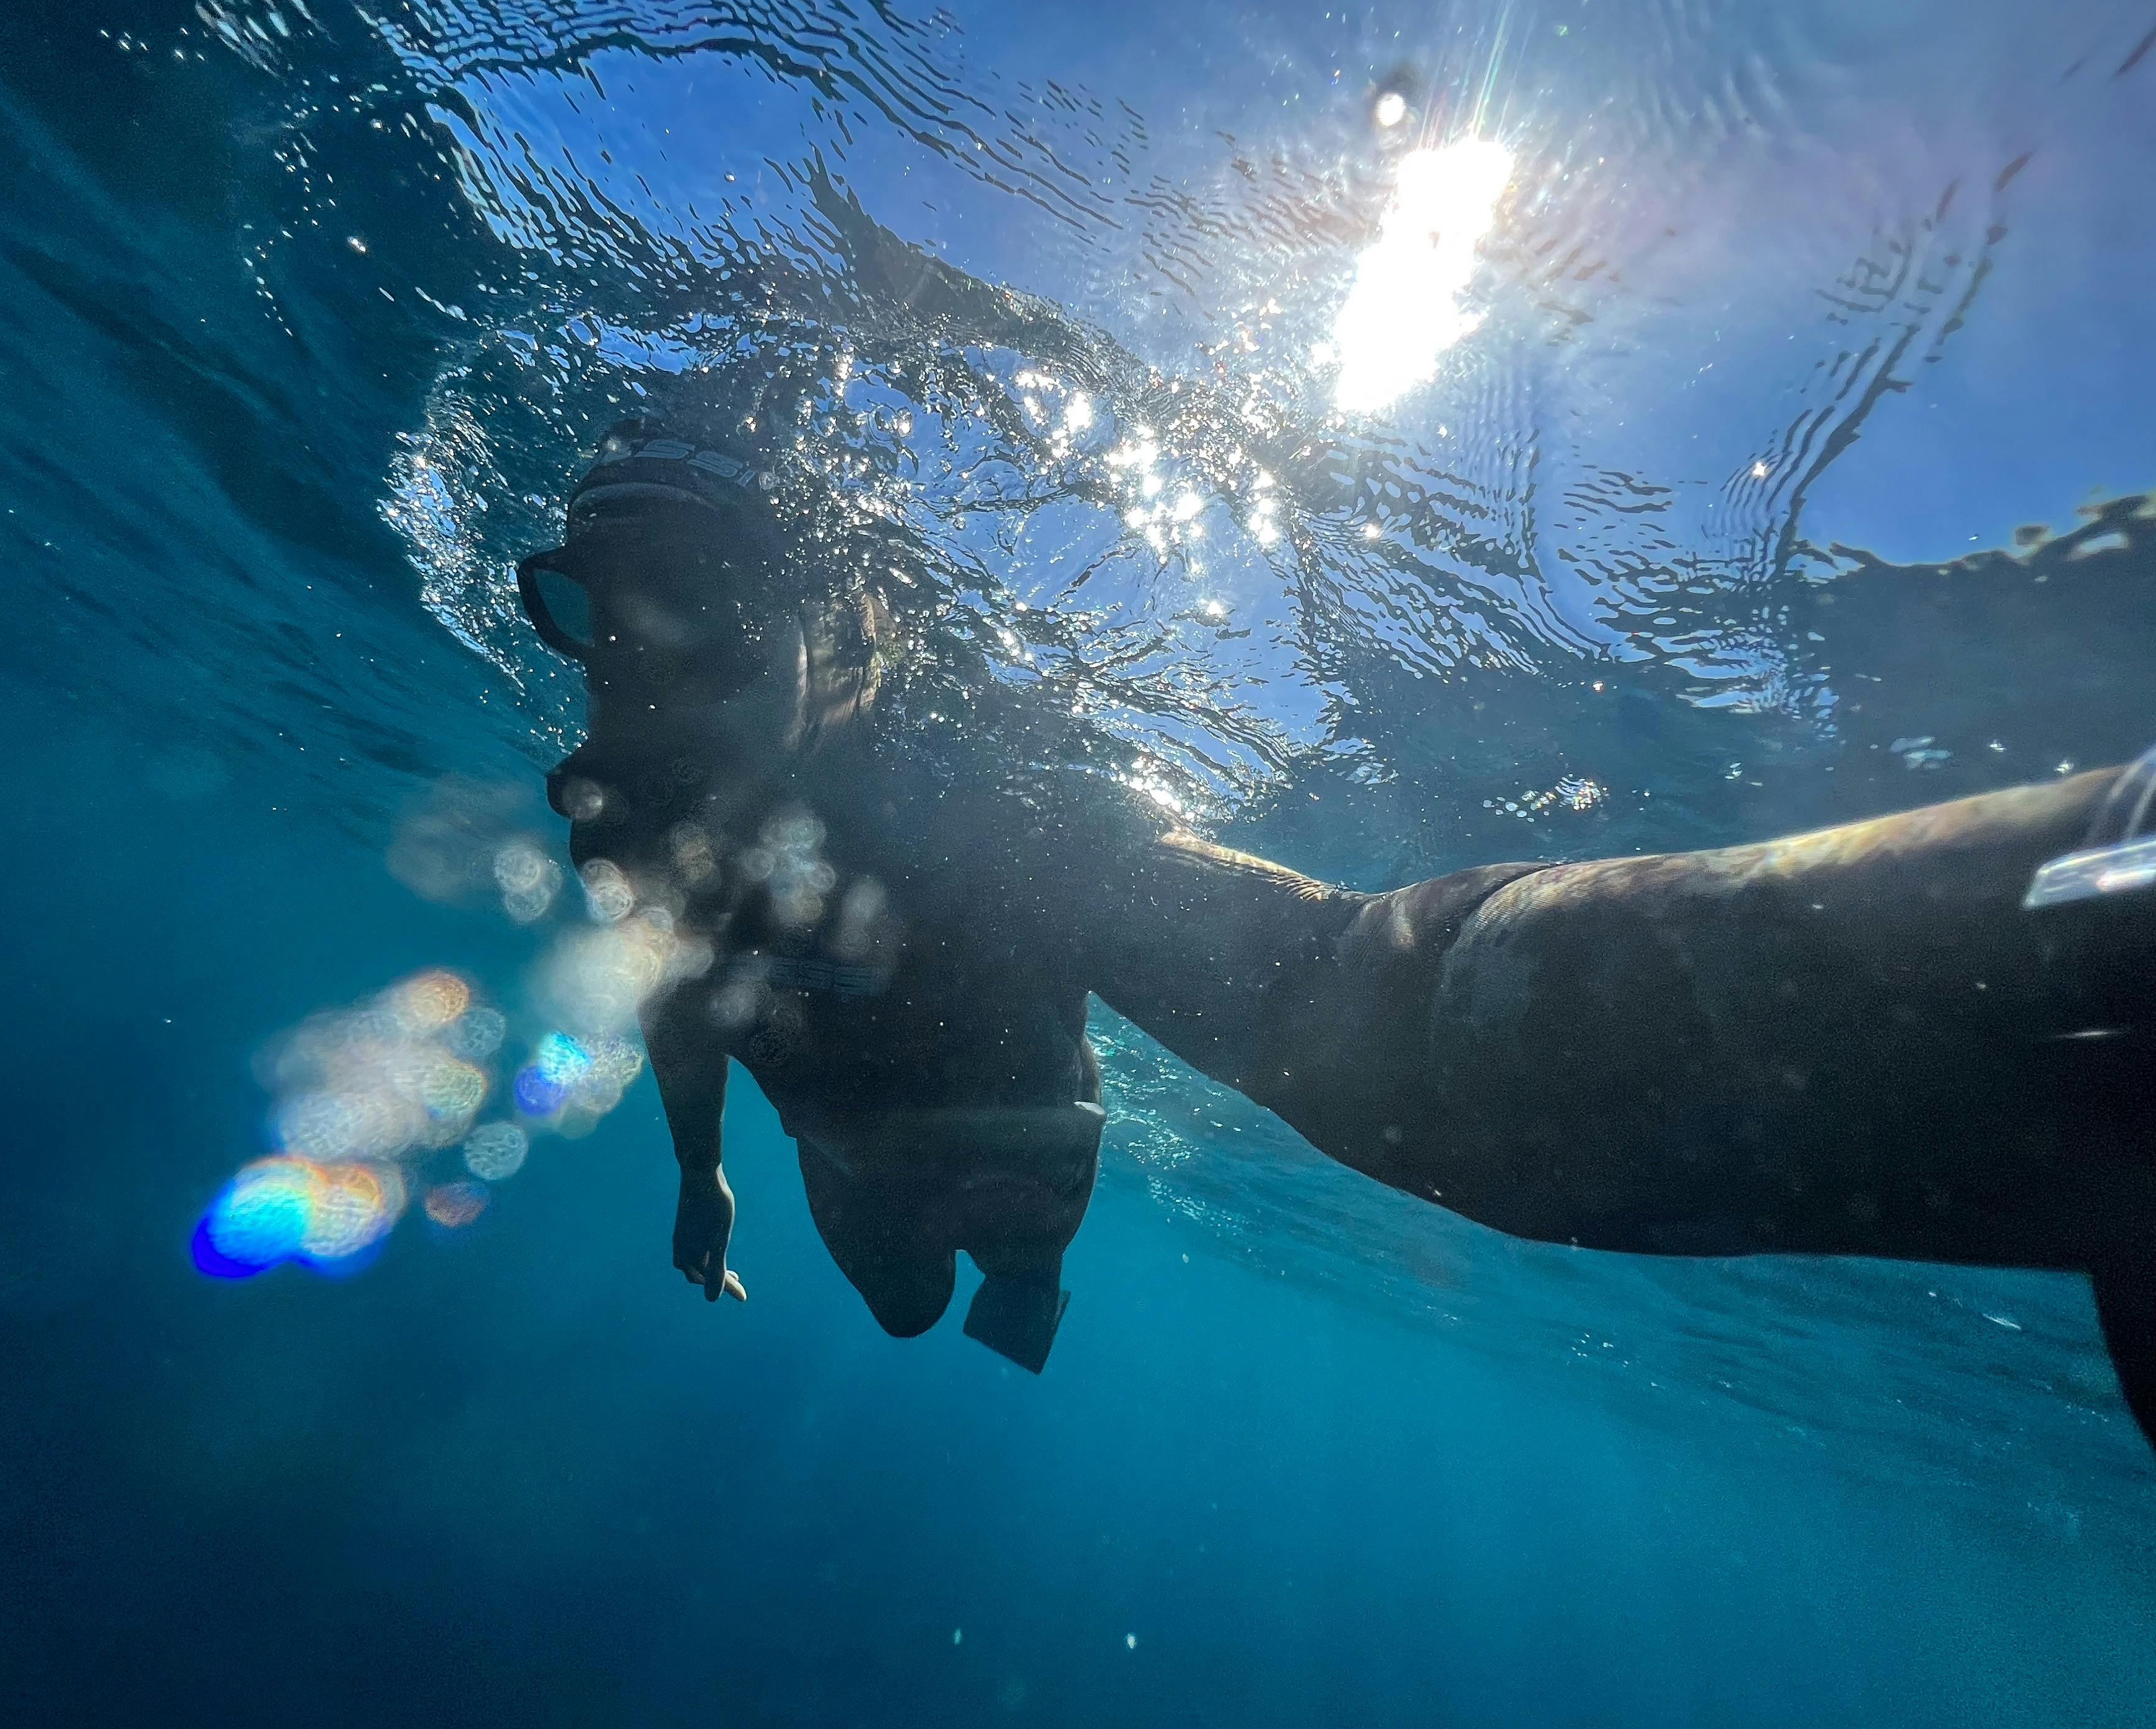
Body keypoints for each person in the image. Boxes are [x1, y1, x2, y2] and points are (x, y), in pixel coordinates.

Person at [519, 415, 2156, 1435]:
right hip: (843, 1139)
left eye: (692, 601)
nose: (630, 661)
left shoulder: (989, 800)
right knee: (897, 1308)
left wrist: (2089, 884)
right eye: (582, 606)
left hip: (1030, 1124)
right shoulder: (613, 808)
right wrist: (696, 1167)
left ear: (834, 616)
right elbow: (673, 985)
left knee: (1011, 1266)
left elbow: (1358, 990)